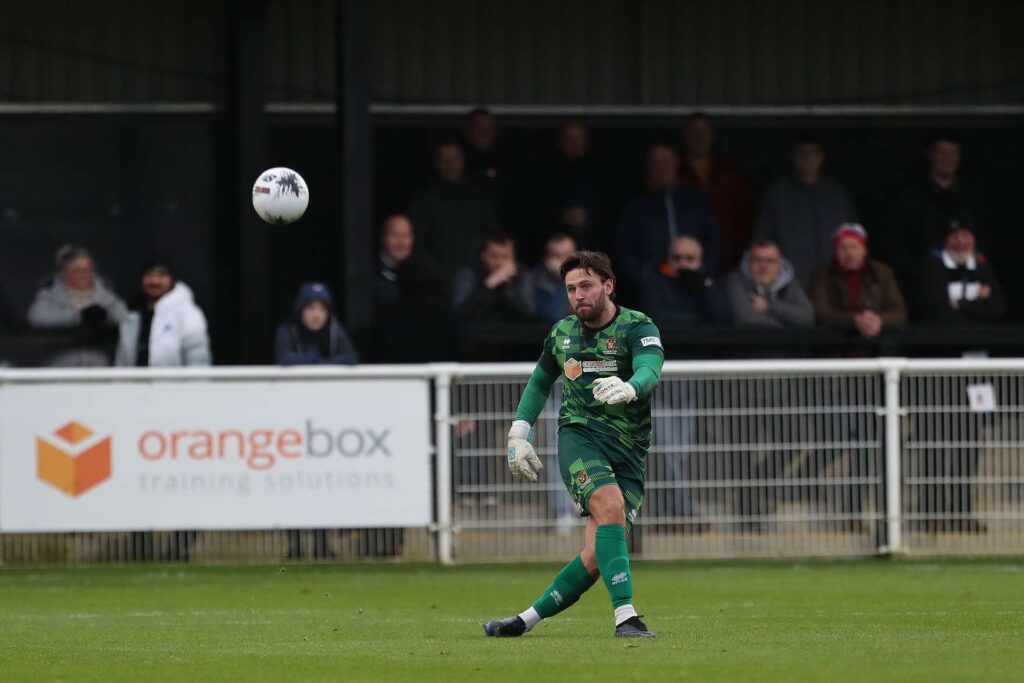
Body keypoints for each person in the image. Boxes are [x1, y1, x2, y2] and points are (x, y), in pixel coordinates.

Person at [483, 251, 663, 639]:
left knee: (597, 556)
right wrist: (519, 432)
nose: (578, 295)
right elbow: (540, 382)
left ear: (608, 286)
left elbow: (651, 369)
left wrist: (631, 386)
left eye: (586, 286)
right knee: (609, 505)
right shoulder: (561, 334)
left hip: (630, 449)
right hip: (579, 438)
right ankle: (626, 617)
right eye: (570, 289)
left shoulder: (638, 327)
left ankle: (524, 620)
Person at [886, 132, 990, 308]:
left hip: (968, 287)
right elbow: (895, 241)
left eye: (953, 153)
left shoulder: (971, 196)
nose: (948, 159)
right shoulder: (910, 196)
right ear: (930, 155)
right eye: (942, 153)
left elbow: (985, 238)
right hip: (921, 288)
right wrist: (919, 274)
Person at [755, 136, 857, 287]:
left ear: (821, 158)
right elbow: (763, 238)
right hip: (790, 277)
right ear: (794, 159)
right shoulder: (779, 193)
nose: (807, 159)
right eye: (802, 154)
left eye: (812, 154)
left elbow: (853, 235)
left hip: (833, 278)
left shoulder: (836, 193)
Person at [616, 144, 721, 289]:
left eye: (667, 161)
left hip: (694, 283)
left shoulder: (695, 201)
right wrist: (643, 276)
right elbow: (624, 250)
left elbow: (714, 241)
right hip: (654, 287)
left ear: (676, 163)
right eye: (656, 162)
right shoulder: (636, 207)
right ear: (648, 167)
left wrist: (703, 270)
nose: (662, 167)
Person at [408, 142, 497, 279]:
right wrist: (436, 273)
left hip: (476, 279)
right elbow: (417, 243)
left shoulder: (478, 198)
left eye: (456, 159)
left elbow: (491, 235)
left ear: (463, 162)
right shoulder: (424, 200)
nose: (451, 165)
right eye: (445, 160)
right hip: (435, 281)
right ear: (437, 164)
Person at [28, 244, 128, 366]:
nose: (84, 274)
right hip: (61, 369)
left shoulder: (104, 295)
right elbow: (37, 317)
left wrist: (105, 316)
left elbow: (125, 317)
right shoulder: (51, 295)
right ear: (64, 273)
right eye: (77, 270)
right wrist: (78, 316)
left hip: (98, 369)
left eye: (88, 269)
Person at [678, 113, 754, 271]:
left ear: (712, 135)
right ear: (685, 136)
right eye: (694, 132)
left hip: (728, 260)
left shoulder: (729, 171)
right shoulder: (675, 171)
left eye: (704, 132)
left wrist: (737, 248)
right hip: (684, 261)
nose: (699, 137)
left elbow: (744, 215)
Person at [372, 214, 451, 361]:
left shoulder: (427, 273)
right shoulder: (368, 274)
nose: (401, 242)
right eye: (395, 235)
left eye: (406, 236)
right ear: (383, 238)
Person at [809, 224, 906, 338]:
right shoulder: (823, 275)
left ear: (864, 250)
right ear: (836, 252)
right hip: (836, 346)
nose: (849, 254)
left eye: (854, 247)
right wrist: (855, 320)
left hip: (877, 346)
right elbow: (820, 313)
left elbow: (899, 312)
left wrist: (878, 320)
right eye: (843, 248)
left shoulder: (881, 273)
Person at [115, 260, 211, 366]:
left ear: (171, 279)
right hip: (135, 382)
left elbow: (198, 360)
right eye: (149, 275)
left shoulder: (188, 314)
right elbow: (122, 361)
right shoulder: (132, 314)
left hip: (171, 383)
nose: (154, 281)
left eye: (161, 276)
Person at [919, 221, 1005, 326]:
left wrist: (960, 305)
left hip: (980, 334)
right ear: (945, 241)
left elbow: (997, 308)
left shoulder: (982, 264)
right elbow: (937, 307)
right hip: (945, 334)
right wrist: (978, 305)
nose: (960, 241)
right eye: (954, 236)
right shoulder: (935, 265)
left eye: (965, 235)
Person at [724, 239, 814, 330]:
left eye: (769, 261)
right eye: (758, 260)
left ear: (779, 265)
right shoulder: (736, 281)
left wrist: (769, 306)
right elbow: (745, 319)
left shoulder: (789, 283)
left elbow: (806, 318)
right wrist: (787, 329)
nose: (763, 266)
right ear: (748, 263)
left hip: (785, 343)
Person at [639, 236, 729, 325]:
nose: (683, 263)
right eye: (676, 258)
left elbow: (722, 316)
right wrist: (699, 319)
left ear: (699, 261)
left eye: (690, 258)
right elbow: (657, 315)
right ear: (669, 260)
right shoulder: (655, 283)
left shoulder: (706, 284)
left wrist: (707, 286)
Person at [452, 234, 534, 323]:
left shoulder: (522, 274)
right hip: (477, 331)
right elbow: (459, 312)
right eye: (494, 256)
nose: (499, 262)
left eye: (505, 257)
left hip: (514, 332)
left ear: (513, 257)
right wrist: (489, 285)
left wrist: (507, 288)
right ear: (483, 256)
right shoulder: (468, 273)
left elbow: (529, 312)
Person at [274, 282, 358, 366]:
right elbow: (285, 358)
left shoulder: (334, 329)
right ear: (300, 311)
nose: (316, 315)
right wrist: (316, 363)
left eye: (322, 309)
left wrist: (321, 365)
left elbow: (351, 357)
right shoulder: (288, 329)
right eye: (311, 308)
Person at [528, 232, 577, 324]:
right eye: (556, 256)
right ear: (547, 258)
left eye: (567, 255)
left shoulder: (585, 277)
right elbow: (557, 315)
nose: (563, 261)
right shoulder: (536, 279)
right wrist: (561, 278)